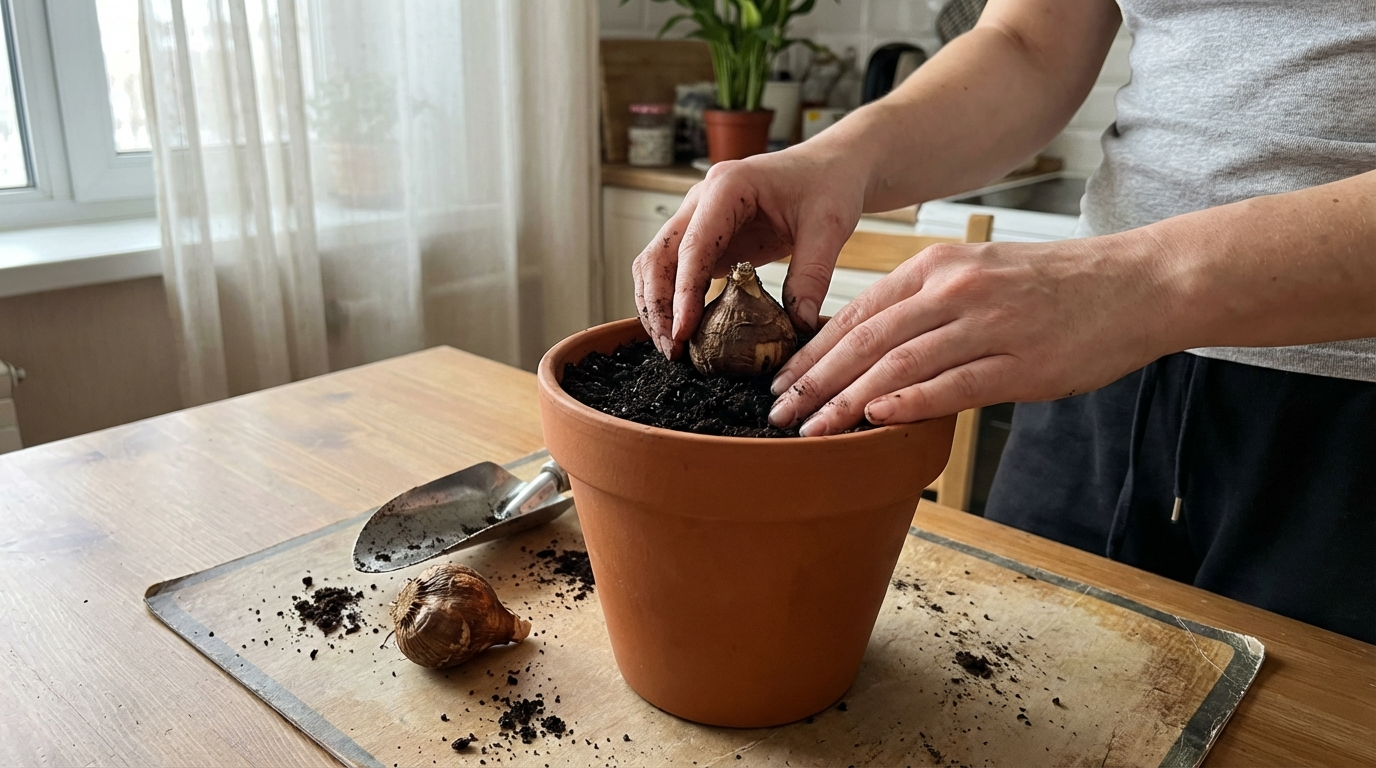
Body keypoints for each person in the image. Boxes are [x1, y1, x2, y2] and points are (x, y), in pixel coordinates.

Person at [632, 0, 1376, 645]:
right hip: (1091, 377)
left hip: (1341, 412)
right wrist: (839, 156)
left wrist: (1140, 281)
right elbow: (1027, 46)